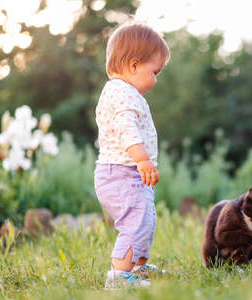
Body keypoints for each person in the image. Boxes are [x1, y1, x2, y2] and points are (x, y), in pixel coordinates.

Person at [94, 22, 170, 289]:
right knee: (135, 220)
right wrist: (142, 159)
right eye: (154, 71)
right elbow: (126, 129)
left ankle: (137, 267)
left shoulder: (124, 92)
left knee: (145, 219)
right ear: (134, 65)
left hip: (128, 173)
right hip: (122, 172)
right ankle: (118, 276)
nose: (156, 79)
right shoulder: (122, 93)